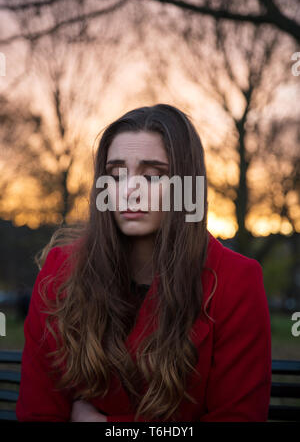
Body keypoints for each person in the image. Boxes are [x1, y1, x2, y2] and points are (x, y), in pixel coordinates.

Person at [16, 104, 272, 422]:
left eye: (152, 176)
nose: (130, 190)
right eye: (116, 174)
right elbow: (38, 412)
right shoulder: (61, 273)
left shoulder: (235, 281)